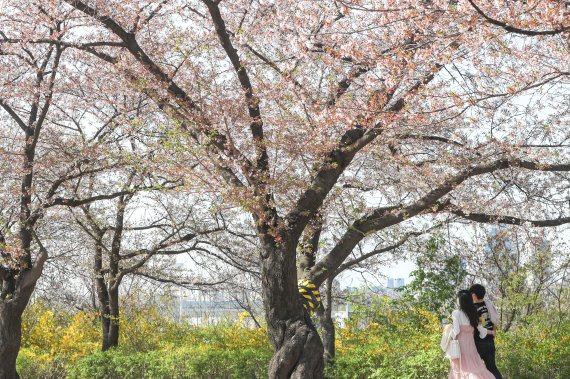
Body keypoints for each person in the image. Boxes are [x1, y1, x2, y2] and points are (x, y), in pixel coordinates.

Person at [448, 290, 496, 379]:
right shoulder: (473, 313)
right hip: (471, 346)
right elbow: (481, 330)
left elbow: (456, 330)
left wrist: (449, 335)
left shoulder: (456, 313)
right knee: (474, 368)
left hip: (460, 346)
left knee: (462, 369)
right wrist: (491, 332)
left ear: (460, 301)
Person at [470, 284, 502, 379]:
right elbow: (495, 320)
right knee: (492, 368)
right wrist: (493, 332)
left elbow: (472, 327)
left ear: (474, 295)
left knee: (475, 370)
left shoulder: (473, 308)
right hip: (490, 341)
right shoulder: (489, 304)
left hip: (479, 342)